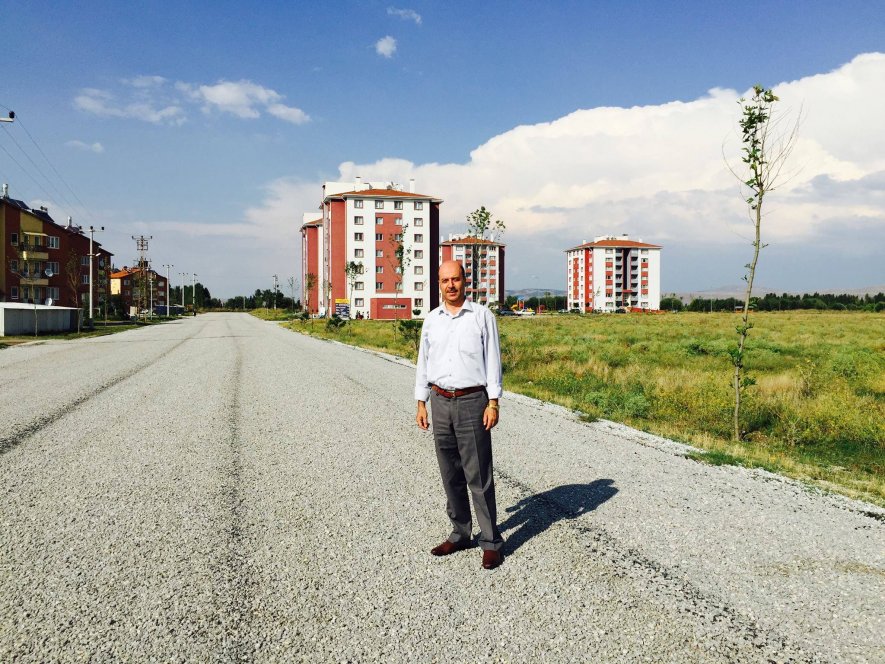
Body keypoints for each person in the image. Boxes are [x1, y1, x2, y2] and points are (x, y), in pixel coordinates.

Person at [415, 259, 504, 570]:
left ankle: (490, 541)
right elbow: (424, 362)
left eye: (455, 279)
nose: (450, 285)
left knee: (478, 474)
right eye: (445, 280)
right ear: (439, 284)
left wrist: (493, 402)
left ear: (465, 281)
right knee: (450, 473)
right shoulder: (432, 320)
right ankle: (460, 532)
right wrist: (421, 401)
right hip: (440, 401)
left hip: (472, 402)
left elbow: (493, 361)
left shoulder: (481, 317)